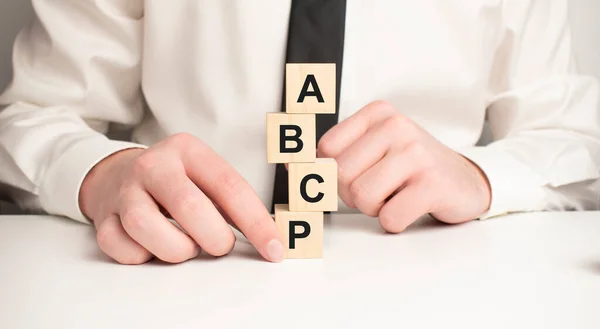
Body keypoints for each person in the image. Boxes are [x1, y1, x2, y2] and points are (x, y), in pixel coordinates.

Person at [0, 1, 599, 265]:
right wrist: (100, 176)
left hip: (434, 284)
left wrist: (479, 176)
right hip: (187, 276)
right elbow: (30, 115)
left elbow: (576, 137)